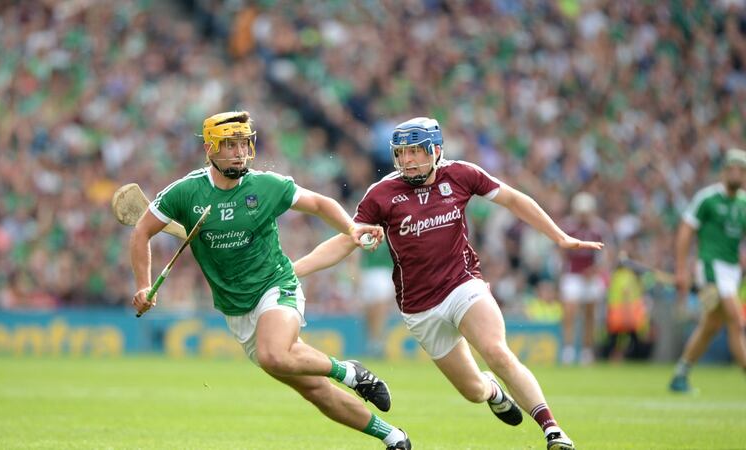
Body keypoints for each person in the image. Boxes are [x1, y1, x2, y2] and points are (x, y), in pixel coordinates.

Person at [294, 117, 604, 450]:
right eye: (401, 153)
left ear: (436, 150)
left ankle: (553, 430)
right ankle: (493, 391)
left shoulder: (461, 174)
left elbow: (514, 200)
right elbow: (345, 241)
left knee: (497, 353)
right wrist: (293, 270)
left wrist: (559, 236)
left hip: (463, 284)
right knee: (473, 391)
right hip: (419, 307)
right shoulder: (381, 194)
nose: (407, 159)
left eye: (415, 151)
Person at [130, 111, 412, 450]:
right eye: (229, 145)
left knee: (274, 355)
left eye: (243, 144)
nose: (239, 152)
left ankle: (351, 372)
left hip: (276, 286)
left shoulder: (266, 186)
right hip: (236, 309)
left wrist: (351, 229)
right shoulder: (186, 193)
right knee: (314, 390)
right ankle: (394, 437)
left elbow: (319, 204)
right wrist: (143, 285)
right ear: (210, 149)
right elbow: (142, 232)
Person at [669, 147, 746, 393]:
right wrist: (681, 269)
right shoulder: (707, 198)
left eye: (741, 170)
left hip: (733, 272)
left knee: (711, 325)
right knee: (736, 319)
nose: (736, 174)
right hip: (710, 267)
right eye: (732, 169)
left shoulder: (744, 203)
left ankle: (680, 374)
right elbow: (686, 231)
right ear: (724, 171)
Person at [558, 192, 613, 365]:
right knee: (569, 312)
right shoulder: (568, 227)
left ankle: (586, 351)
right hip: (573, 274)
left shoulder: (600, 229)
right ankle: (568, 350)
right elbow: (561, 250)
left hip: (591, 275)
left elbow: (607, 255)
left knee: (590, 314)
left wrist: (596, 270)